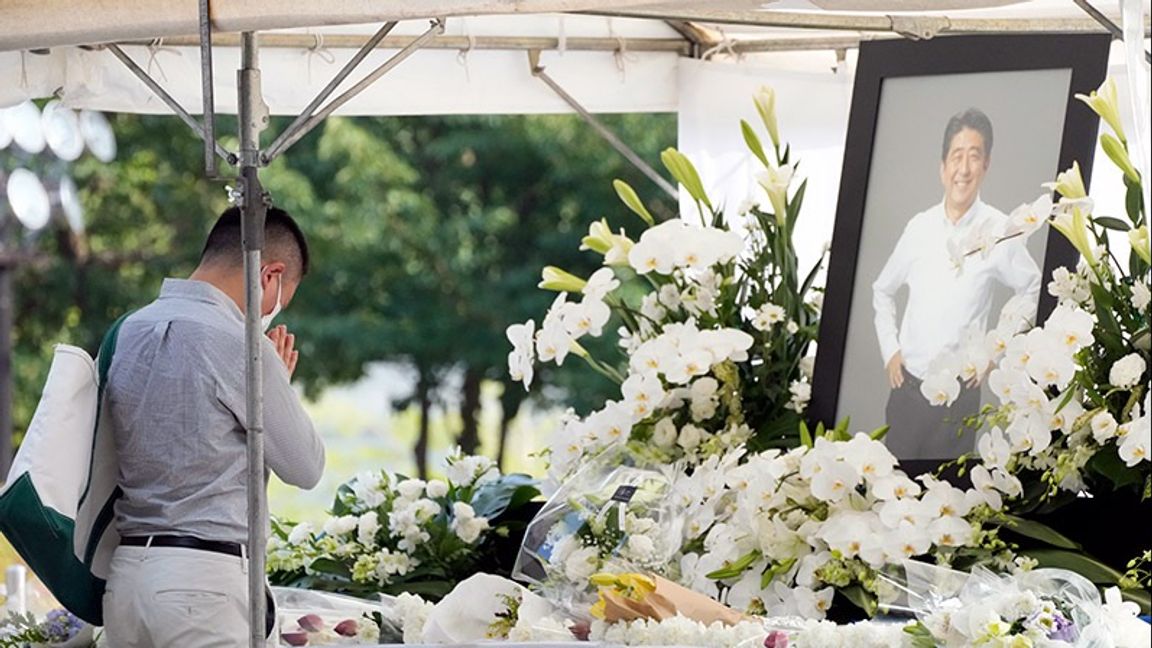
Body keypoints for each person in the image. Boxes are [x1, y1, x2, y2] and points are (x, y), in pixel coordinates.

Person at [102, 206, 325, 647]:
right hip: (202, 583)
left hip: (126, 579)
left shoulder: (129, 330)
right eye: (280, 300)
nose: (271, 315)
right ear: (269, 275)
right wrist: (276, 378)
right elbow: (305, 466)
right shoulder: (241, 344)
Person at [872, 108, 1040, 460]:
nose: (963, 169)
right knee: (892, 500)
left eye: (974, 157)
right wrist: (890, 350)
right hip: (908, 390)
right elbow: (882, 290)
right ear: (943, 166)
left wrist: (995, 352)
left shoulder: (999, 230)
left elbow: (1032, 288)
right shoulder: (918, 228)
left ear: (986, 165)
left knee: (947, 501)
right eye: (956, 156)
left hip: (960, 399)